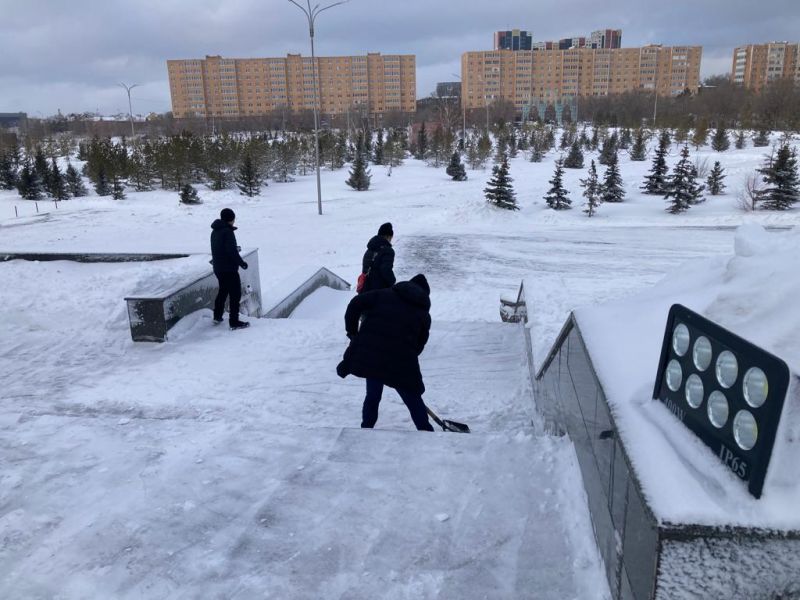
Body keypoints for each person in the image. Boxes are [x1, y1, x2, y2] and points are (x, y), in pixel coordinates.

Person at [336, 274, 434, 431]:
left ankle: (366, 428)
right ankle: (426, 431)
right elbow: (420, 344)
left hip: (372, 354)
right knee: (412, 397)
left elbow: (355, 303)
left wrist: (352, 332)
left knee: (373, 395)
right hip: (401, 360)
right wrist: (406, 353)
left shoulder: (383, 294)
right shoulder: (423, 315)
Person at [210, 208, 249, 330]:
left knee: (223, 292)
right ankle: (234, 322)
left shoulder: (215, 231)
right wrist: (242, 263)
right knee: (235, 294)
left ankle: (217, 316)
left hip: (218, 268)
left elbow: (221, 248)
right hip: (229, 269)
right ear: (230, 219)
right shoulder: (227, 232)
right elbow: (231, 251)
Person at [360, 222, 396, 293]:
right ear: (388, 236)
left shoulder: (369, 250)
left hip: (365, 291)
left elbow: (365, 270)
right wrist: (393, 282)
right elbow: (386, 270)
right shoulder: (388, 250)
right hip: (380, 292)